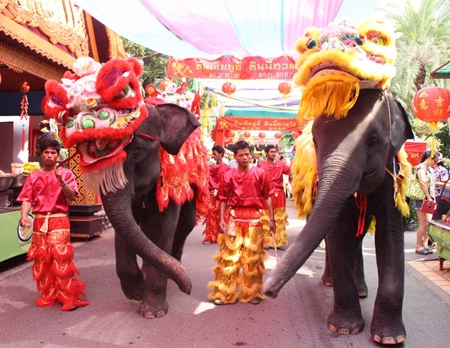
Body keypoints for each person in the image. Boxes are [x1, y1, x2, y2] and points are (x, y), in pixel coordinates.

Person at [17, 139, 90, 311]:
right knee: (42, 260)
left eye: (53, 153)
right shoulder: (33, 176)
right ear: (41, 154)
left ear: (58, 155)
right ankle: (49, 295)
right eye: (46, 153)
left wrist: (61, 181)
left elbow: (72, 196)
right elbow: (27, 198)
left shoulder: (66, 174)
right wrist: (24, 215)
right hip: (40, 221)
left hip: (59, 219)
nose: (50, 156)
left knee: (61, 258)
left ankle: (67, 297)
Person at [208, 140, 275, 305]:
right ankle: (225, 294)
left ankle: (251, 294)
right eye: (241, 155)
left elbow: (268, 196)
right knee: (229, 259)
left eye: (247, 154)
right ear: (235, 157)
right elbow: (223, 199)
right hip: (234, 219)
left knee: (252, 259)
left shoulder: (260, 174)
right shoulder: (228, 175)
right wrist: (221, 219)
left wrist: (272, 219)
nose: (245, 157)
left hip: (255, 220)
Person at [257, 144, 291, 249]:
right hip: (267, 195)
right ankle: (267, 240)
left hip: (279, 194)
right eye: (271, 152)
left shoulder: (281, 164)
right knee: (267, 217)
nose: (273, 153)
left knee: (279, 217)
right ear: (266, 153)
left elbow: (291, 171)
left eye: (274, 151)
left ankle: (279, 241)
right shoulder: (261, 165)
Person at [202, 145, 230, 244]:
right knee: (211, 215)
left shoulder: (227, 168)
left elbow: (227, 182)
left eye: (215, 154)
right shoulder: (210, 167)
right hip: (212, 194)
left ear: (221, 154)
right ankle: (210, 236)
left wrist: (218, 189)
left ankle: (222, 236)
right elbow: (207, 179)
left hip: (222, 195)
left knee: (223, 214)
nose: (213, 156)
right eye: (213, 153)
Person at [414, 150, 437, 255]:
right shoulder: (420, 168)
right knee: (423, 223)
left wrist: (433, 199)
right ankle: (418, 245)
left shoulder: (430, 169)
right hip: (422, 199)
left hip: (430, 199)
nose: (435, 162)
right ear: (430, 158)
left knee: (428, 223)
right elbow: (422, 182)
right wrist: (428, 197)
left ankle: (426, 244)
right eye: (435, 160)